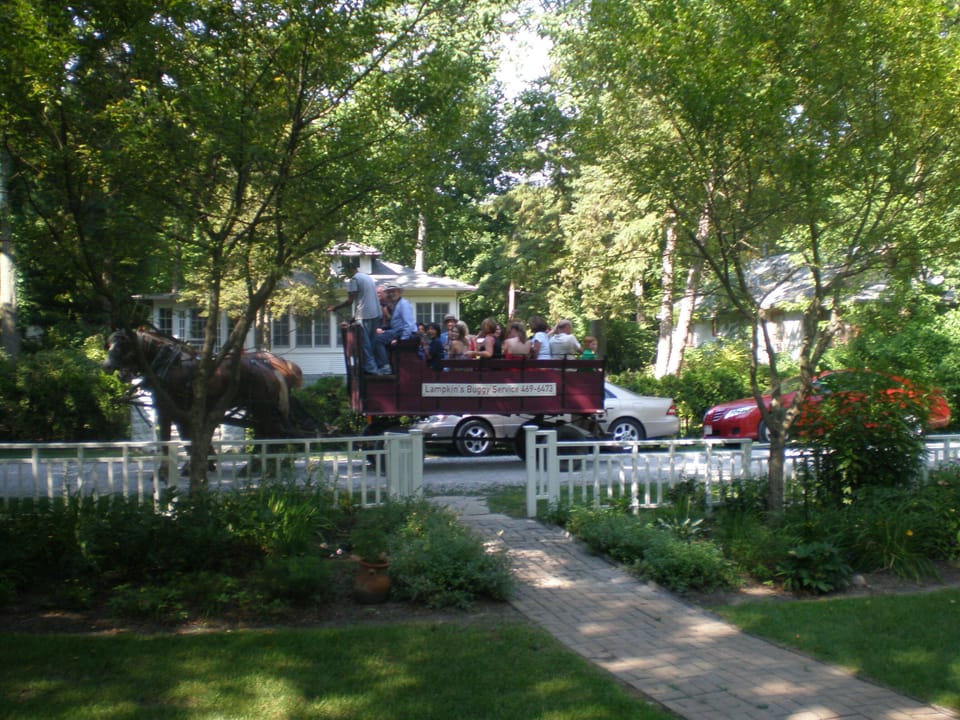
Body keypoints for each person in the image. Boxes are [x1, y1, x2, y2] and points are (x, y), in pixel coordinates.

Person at [326, 264, 380, 375]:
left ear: (352, 269)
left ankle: (371, 369)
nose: (346, 275)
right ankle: (377, 366)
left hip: (365, 315)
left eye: (346, 272)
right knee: (372, 342)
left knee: (365, 344)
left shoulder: (354, 279)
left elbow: (350, 301)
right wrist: (353, 318)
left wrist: (335, 307)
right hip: (376, 314)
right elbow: (364, 300)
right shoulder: (367, 278)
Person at [373, 284, 418, 373]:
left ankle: (385, 366)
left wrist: (402, 340)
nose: (391, 294)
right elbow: (394, 323)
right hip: (397, 332)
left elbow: (409, 325)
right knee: (377, 336)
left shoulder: (404, 304)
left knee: (377, 340)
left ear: (399, 292)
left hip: (404, 333)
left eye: (394, 291)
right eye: (389, 292)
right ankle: (381, 364)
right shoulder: (395, 305)